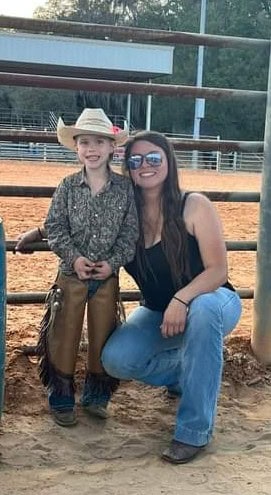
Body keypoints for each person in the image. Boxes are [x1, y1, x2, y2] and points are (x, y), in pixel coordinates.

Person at [16, 130, 241, 464]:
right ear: (127, 165)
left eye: (154, 158)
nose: (145, 166)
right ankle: (189, 372)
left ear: (168, 162)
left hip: (212, 299)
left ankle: (194, 431)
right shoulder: (126, 206)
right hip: (157, 310)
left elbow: (217, 272)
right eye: (136, 160)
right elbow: (84, 221)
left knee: (204, 309)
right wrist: (39, 231)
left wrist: (181, 300)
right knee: (116, 360)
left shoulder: (193, 205)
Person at [18, 108, 138, 428]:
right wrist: (74, 258)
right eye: (85, 142)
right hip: (71, 274)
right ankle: (61, 394)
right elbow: (55, 226)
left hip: (107, 275)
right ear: (76, 147)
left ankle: (97, 394)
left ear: (113, 147)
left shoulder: (125, 190)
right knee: (63, 333)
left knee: (104, 333)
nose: (92, 149)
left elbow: (130, 234)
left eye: (100, 141)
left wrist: (111, 263)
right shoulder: (68, 186)